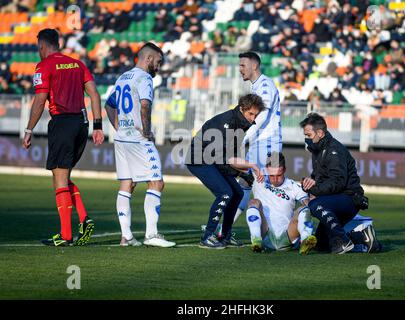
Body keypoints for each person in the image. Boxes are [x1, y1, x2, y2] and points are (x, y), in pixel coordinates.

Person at [22, 28, 104, 246]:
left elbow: (40, 100)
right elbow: (94, 93)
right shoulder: (77, 64)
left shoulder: (44, 65)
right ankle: (84, 219)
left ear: (42, 45)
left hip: (62, 123)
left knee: (59, 179)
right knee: (63, 176)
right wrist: (98, 126)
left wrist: (29, 129)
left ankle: (65, 235)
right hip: (81, 124)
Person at [104, 42, 175, 248]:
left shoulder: (123, 77)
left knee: (127, 184)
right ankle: (151, 234)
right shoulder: (144, 78)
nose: (158, 67)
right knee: (156, 182)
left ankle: (126, 236)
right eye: (158, 62)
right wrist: (146, 130)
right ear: (149, 58)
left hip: (122, 138)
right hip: (138, 138)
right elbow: (145, 105)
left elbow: (109, 105)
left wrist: (119, 126)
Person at [186, 94, 265, 249]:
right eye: (251, 114)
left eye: (256, 115)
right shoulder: (228, 121)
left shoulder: (243, 123)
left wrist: (242, 172)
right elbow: (226, 158)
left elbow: (229, 155)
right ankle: (208, 236)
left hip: (215, 159)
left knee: (238, 193)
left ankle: (226, 236)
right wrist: (249, 168)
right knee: (225, 193)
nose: (253, 118)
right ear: (242, 108)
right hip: (199, 159)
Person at [299, 113, 381, 254]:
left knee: (315, 205)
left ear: (320, 133)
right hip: (336, 199)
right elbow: (322, 178)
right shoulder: (318, 150)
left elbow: (338, 182)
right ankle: (363, 237)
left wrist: (315, 190)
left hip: (349, 198)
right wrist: (311, 184)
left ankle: (344, 240)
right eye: (305, 136)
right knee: (321, 245)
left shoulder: (334, 150)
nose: (307, 140)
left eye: (309, 135)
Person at [231, 51, 282, 233]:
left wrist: (241, 139)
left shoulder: (265, 86)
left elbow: (261, 118)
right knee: (245, 183)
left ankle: (278, 232)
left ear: (254, 66)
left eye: (243, 65)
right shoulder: (256, 86)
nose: (240, 69)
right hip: (259, 143)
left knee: (266, 188)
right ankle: (224, 229)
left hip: (268, 143)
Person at [233, 152, 317, 254]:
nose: (275, 179)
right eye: (271, 175)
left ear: (285, 170)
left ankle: (305, 240)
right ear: (266, 170)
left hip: (288, 236)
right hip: (265, 235)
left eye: (279, 175)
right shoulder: (259, 178)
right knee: (254, 202)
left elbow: (309, 205)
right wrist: (252, 166)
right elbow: (231, 162)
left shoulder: (294, 186)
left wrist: (312, 196)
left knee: (303, 209)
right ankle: (256, 239)